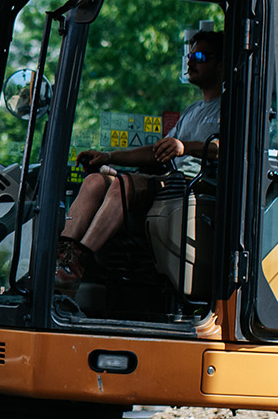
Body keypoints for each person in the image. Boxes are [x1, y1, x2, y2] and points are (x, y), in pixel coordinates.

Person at [54, 30, 224, 292]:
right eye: (190, 56)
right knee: (95, 181)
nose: (190, 62)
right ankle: (62, 254)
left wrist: (184, 147)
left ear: (221, 63)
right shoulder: (193, 110)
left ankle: (81, 260)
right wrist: (108, 157)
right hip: (171, 182)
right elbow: (156, 152)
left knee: (124, 184)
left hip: (195, 187)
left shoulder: (232, 106)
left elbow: (226, 149)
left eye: (200, 56)